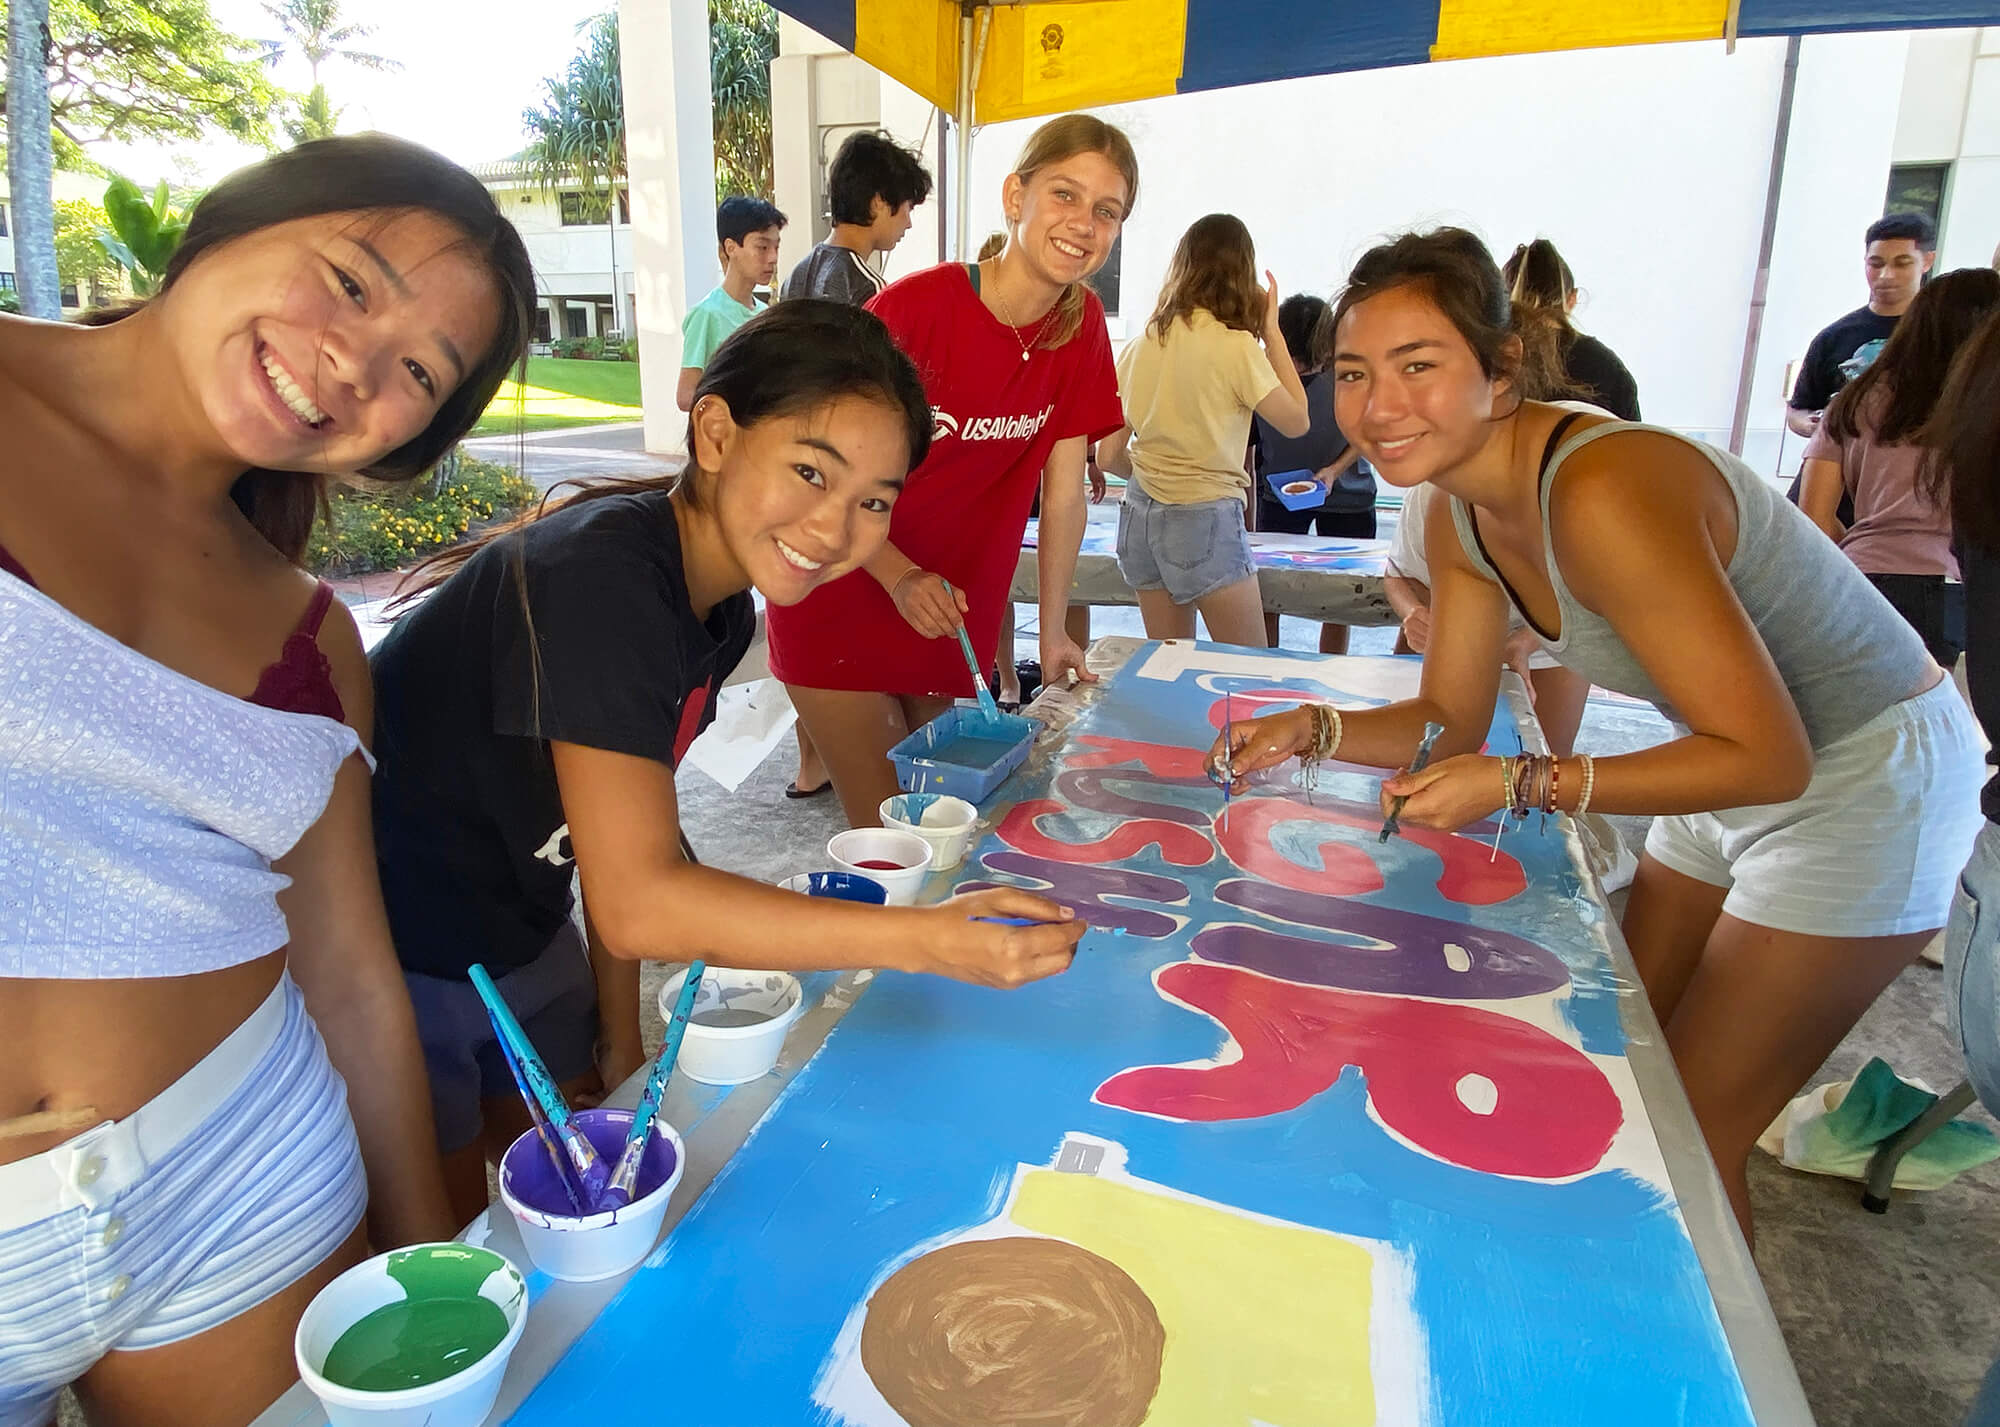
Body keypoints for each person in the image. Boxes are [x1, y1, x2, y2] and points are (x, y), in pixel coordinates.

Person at [1210, 227, 1982, 1240]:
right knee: (1618, 1054)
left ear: (1498, 371)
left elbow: (1772, 754)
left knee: (1693, 1139)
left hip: (1867, 775)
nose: (1377, 403)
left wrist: (1520, 780)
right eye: (1352, 372)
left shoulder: (1600, 485)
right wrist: (1310, 726)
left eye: (1417, 365)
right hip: (1717, 756)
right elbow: (1445, 716)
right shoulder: (1453, 512)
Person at [0, 134, 536, 1425]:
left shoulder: (313, 637)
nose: (354, 361)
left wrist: (425, 1276)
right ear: (231, 222)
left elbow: (350, 973)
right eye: (351, 280)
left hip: (247, 1180)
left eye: (418, 371)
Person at [370, 302, 1087, 1226]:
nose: (834, 526)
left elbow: (628, 835)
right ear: (715, 431)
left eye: (874, 500)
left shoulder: (718, 612)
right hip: (396, 963)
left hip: (525, 930)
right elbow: (638, 898)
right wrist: (929, 936)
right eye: (808, 471)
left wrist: (621, 1040)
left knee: (560, 1198)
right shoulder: (603, 579)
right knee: (452, 1241)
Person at [767, 114, 1137, 831]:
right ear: (1015, 195)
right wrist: (898, 573)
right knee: (893, 838)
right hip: (842, 591)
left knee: (943, 830)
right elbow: (816, 474)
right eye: (1065, 194)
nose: (1083, 223)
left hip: (946, 618)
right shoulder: (916, 309)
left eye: (1107, 210)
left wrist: (1054, 632)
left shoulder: (1081, 325)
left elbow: (1064, 495)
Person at [779, 135, 934, 798]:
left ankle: (812, 761)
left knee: (809, 627)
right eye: (903, 211)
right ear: (877, 203)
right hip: (847, 493)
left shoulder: (799, 272)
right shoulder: (874, 293)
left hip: (795, 485)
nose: (906, 225)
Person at [1099, 213, 1309, 648]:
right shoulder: (1235, 348)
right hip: (1205, 517)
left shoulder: (1140, 345)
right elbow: (1297, 420)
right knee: (1247, 670)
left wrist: (1154, 476)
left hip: (1139, 518)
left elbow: (1107, 456)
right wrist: (1271, 330)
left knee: (1173, 671)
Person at [1799, 266, 2000, 668]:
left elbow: (1814, 517)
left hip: (1858, 580)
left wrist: (1866, 549)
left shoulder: (1853, 400)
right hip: (1951, 586)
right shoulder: (1983, 408)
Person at [1249, 293, 1372, 653]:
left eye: (1307, 362)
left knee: (1341, 597)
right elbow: (1247, 446)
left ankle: (1330, 664)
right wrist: (1245, 519)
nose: (1299, 369)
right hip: (1278, 494)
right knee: (1268, 589)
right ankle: (1267, 662)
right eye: (1292, 359)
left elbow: (1367, 433)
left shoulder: (1350, 373)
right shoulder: (1258, 371)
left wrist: (1334, 470)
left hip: (1348, 495)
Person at [1786, 212, 1938, 441]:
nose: (1886, 275)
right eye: (1876, 264)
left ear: (1927, 261)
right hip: (1837, 468)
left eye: (1902, 263)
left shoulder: (1945, 332)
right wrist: (1811, 426)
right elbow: (1799, 408)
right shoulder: (1834, 336)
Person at [779, 130, 932, 306]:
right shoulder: (866, 287)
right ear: (879, 202)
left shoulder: (796, 276)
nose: (908, 224)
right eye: (909, 208)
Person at [1500, 238, 1641, 420]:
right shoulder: (1609, 367)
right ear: (1572, 298)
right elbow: (1638, 443)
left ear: (1502, 298)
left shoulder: (1493, 360)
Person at [677, 196, 786, 412]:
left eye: (776, 247)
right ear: (730, 247)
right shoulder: (707, 314)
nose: (773, 257)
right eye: (762, 247)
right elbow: (686, 396)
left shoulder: (766, 316)